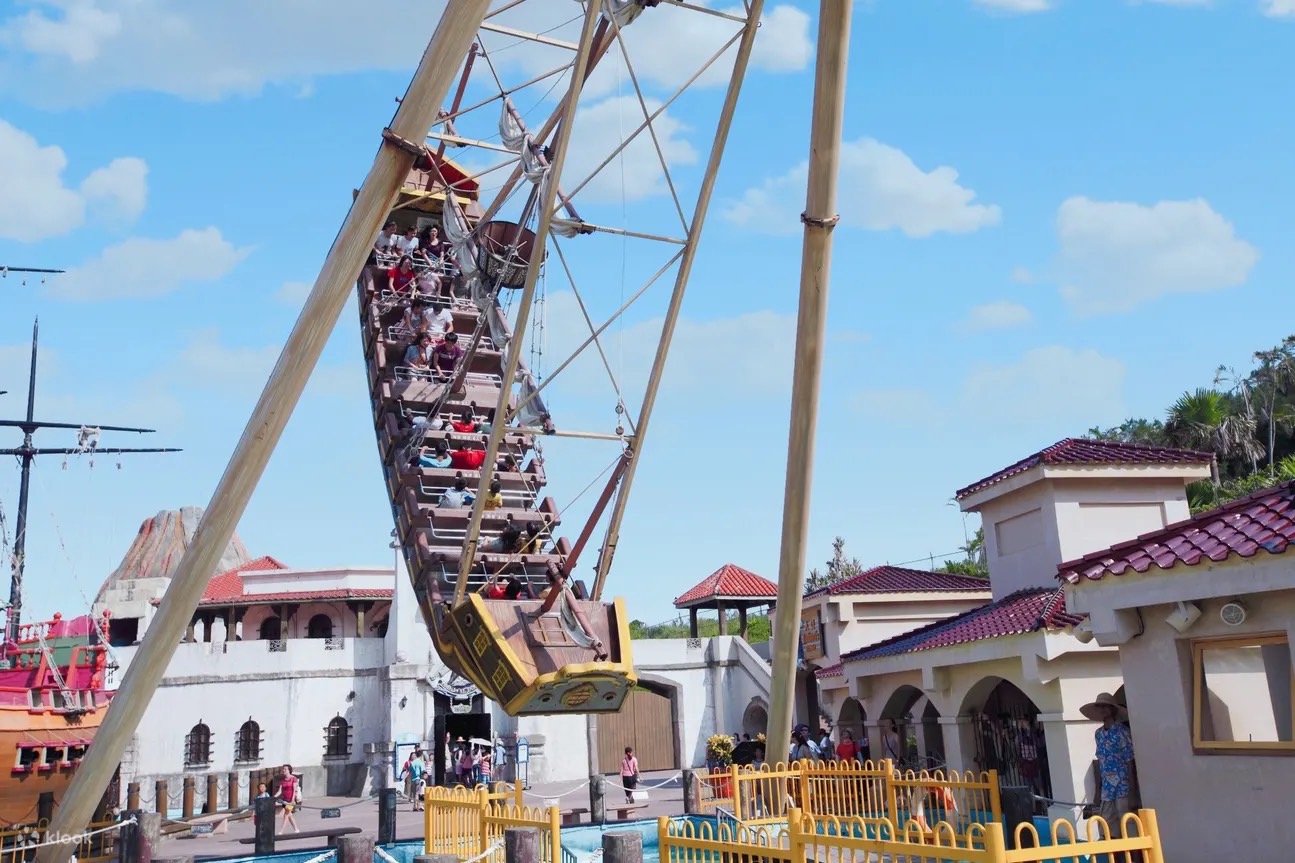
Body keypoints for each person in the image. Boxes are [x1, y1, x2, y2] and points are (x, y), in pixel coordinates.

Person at [1081, 692, 1134, 829]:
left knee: (1127, 824)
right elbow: (1100, 762)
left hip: (1123, 785)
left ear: (1113, 709)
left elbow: (1129, 760)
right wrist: (1097, 791)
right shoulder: (1098, 734)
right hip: (1107, 788)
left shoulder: (1122, 731)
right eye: (1100, 706)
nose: (1103, 709)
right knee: (1108, 825)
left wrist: (1133, 790)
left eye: (1106, 706)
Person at [277, 764, 301, 833]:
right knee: (289, 815)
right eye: (283, 769)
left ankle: (281, 831)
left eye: (285, 769)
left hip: (291, 800)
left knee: (286, 814)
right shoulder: (283, 780)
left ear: (289, 770)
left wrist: (293, 799)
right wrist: (273, 797)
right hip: (284, 800)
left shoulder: (293, 778)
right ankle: (296, 829)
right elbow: (279, 791)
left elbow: (294, 790)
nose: (284, 770)